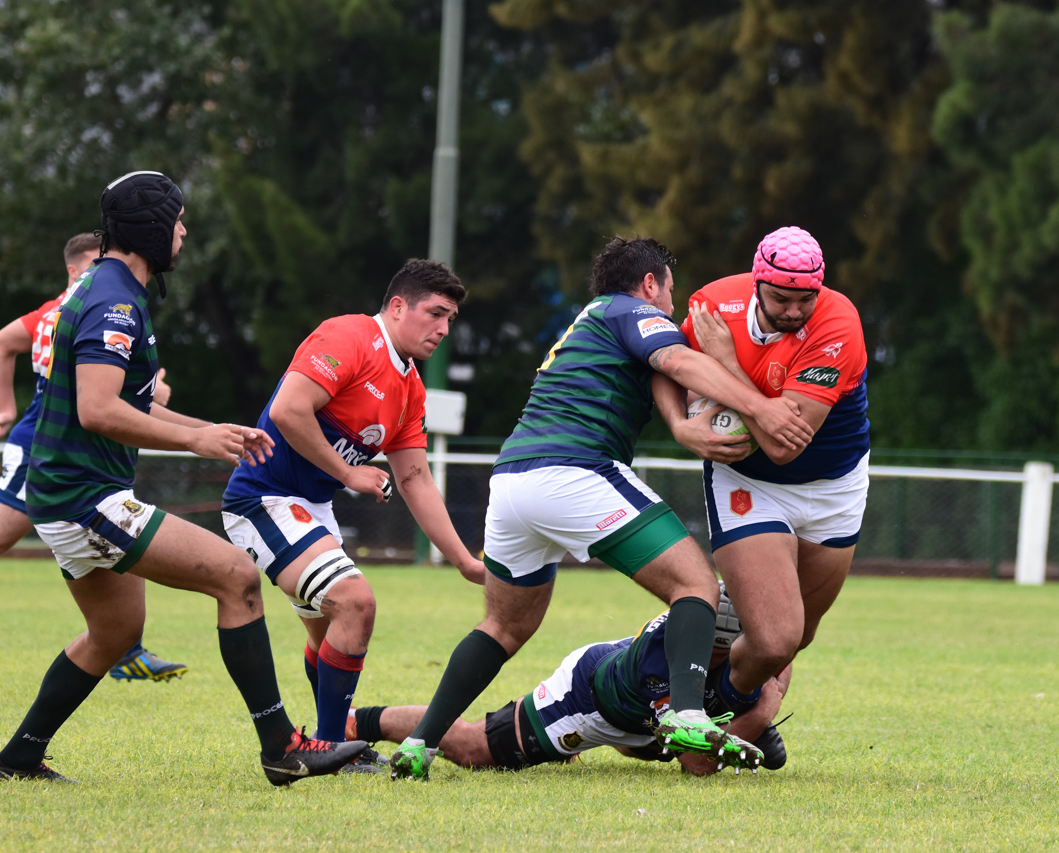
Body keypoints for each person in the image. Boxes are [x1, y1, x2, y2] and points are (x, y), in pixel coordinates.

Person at [388, 236, 815, 780]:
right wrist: (760, 409)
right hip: (575, 470)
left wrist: (684, 424)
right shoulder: (630, 310)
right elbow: (678, 359)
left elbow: (663, 374)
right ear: (649, 283)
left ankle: (419, 745)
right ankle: (686, 714)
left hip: (513, 481)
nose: (672, 308)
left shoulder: (594, 320)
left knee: (502, 626)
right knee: (696, 585)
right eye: (670, 293)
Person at [0, 170, 366, 783]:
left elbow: (131, 401)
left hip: (64, 493)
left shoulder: (105, 286)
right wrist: (197, 439)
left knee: (114, 633)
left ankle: (18, 757)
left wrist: (211, 430)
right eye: (177, 220)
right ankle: (282, 747)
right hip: (83, 497)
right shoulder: (115, 300)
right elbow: (98, 408)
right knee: (238, 577)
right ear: (150, 228)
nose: (184, 231)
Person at [221, 260, 484, 772]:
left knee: (331, 635)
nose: (443, 330)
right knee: (355, 603)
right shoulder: (350, 336)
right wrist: (348, 472)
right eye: (435, 314)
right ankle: (328, 749)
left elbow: (415, 479)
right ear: (398, 306)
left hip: (311, 509)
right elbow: (288, 411)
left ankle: (331, 736)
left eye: (450, 319)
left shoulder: (410, 387)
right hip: (262, 498)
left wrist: (463, 561)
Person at [657, 226, 869, 760]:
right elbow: (661, 363)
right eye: (781, 298)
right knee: (774, 638)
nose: (795, 310)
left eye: (806, 299)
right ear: (757, 283)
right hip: (748, 483)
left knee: (797, 638)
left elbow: (784, 445)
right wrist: (683, 426)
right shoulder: (712, 303)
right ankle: (709, 716)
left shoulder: (838, 322)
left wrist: (726, 366)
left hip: (834, 488)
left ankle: (727, 705)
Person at [0, 233, 187, 682]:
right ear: (73, 269)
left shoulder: (85, 305)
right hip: (45, 441)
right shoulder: (76, 308)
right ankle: (124, 646)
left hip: (74, 441)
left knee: (121, 523)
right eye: (93, 264)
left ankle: (126, 647)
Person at [352, 586, 789, 776]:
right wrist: (766, 703)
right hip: (586, 700)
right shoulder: (663, 661)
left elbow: (782, 647)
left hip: (643, 714)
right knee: (471, 748)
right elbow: (696, 764)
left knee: (654, 740)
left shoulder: (743, 644)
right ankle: (358, 724)